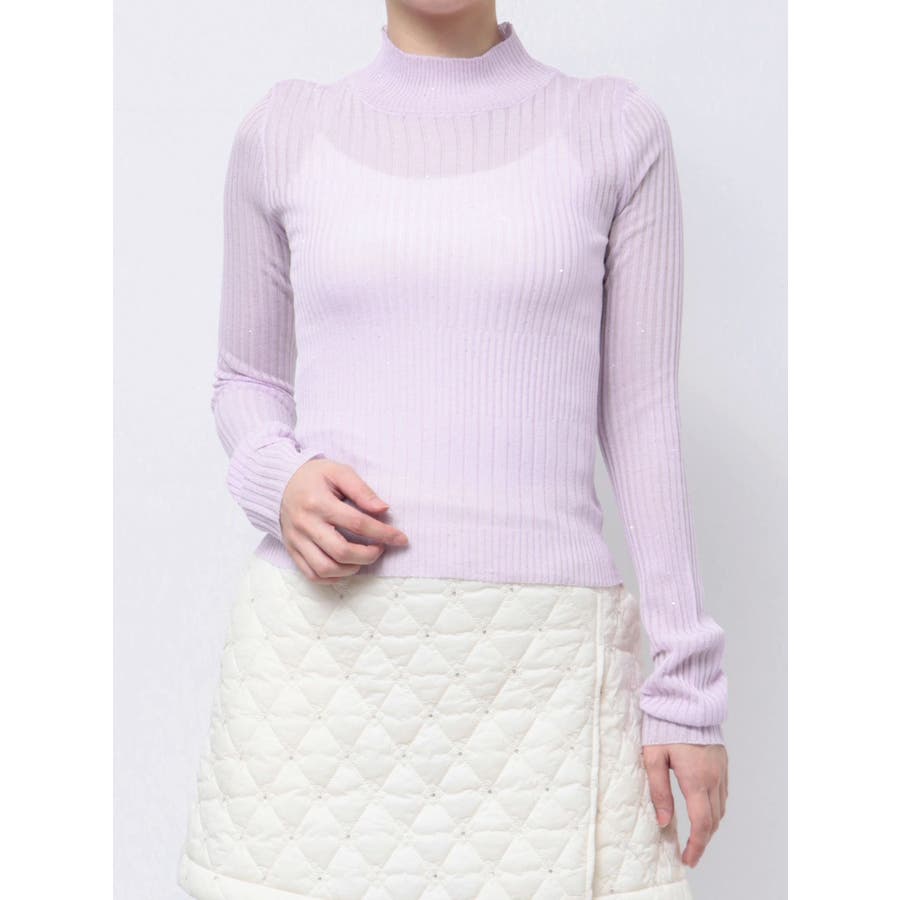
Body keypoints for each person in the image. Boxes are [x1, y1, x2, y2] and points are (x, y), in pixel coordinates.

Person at [177, 3, 729, 897]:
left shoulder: (615, 130)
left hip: (543, 669)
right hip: (318, 662)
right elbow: (244, 379)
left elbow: (640, 416)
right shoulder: (284, 131)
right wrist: (279, 481)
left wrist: (687, 692)